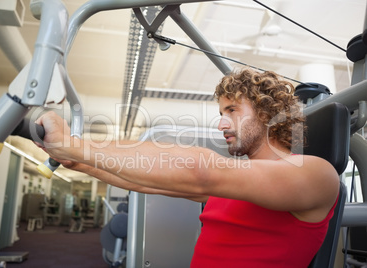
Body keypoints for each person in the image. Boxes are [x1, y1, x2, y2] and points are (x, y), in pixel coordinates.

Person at [35, 68, 339, 267]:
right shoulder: (237, 180)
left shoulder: (315, 173)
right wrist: (79, 161)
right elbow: (149, 185)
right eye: (221, 112)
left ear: (268, 112)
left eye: (232, 110)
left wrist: (72, 144)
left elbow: (199, 171)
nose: (221, 123)